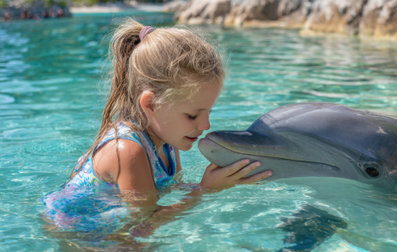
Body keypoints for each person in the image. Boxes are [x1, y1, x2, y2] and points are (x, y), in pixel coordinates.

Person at [42, 18, 272, 236]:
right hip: (77, 230)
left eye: (208, 111)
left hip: (111, 223)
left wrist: (222, 180)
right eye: (192, 115)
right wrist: (205, 191)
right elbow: (143, 224)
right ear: (150, 104)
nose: (205, 125)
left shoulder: (169, 138)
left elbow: (171, 187)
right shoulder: (128, 150)